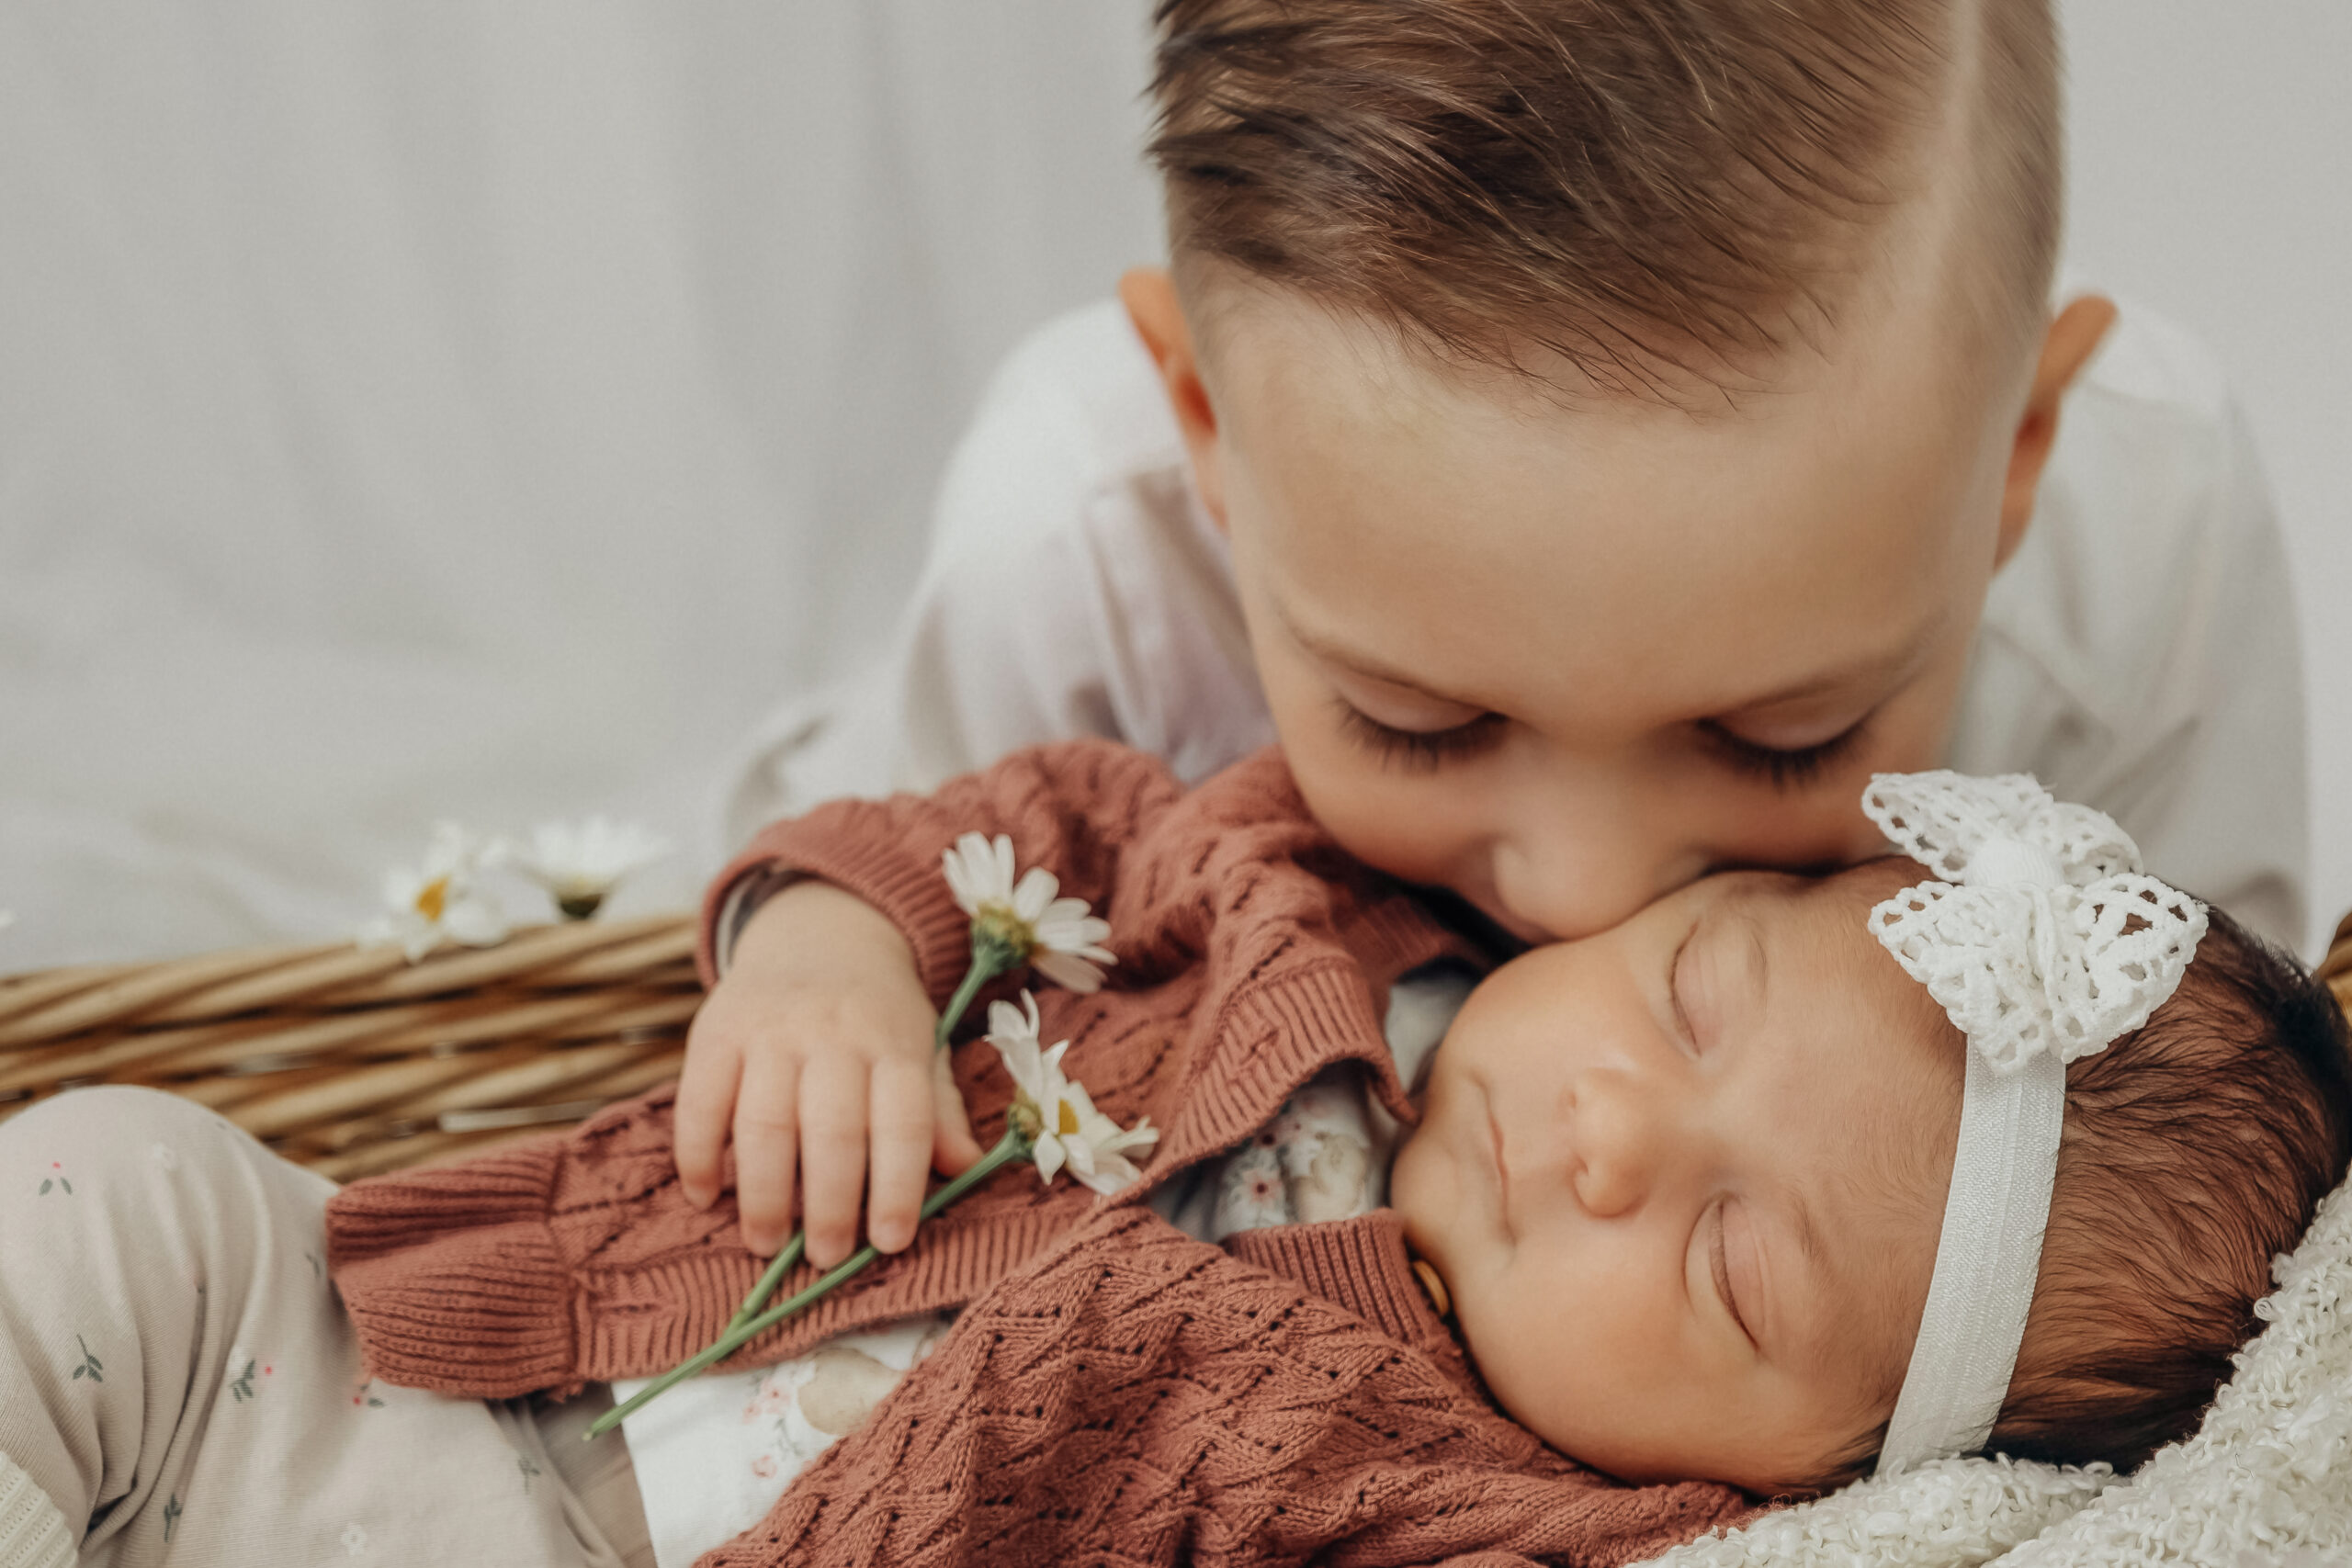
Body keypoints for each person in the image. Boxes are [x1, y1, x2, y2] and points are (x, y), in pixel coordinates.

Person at [697, 0, 2312, 1280]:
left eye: (1782, 738)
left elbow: (2212, 1183)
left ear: (2017, 452)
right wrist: (834, 971)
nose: (1584, 892)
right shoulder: (1079, 554)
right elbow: (919, 908)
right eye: (1420, 722)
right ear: (1206, 428)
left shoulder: (2141, 551)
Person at [6, 747, 2342, 1568]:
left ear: (1806, 1478)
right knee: (125, 1188)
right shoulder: (1298, 908)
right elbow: (1029, 817)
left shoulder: (1506, 1505)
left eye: (1735, 1267)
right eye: (1689, 994)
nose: (1612, 1132)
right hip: (393, 1366)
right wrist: (830, 956)